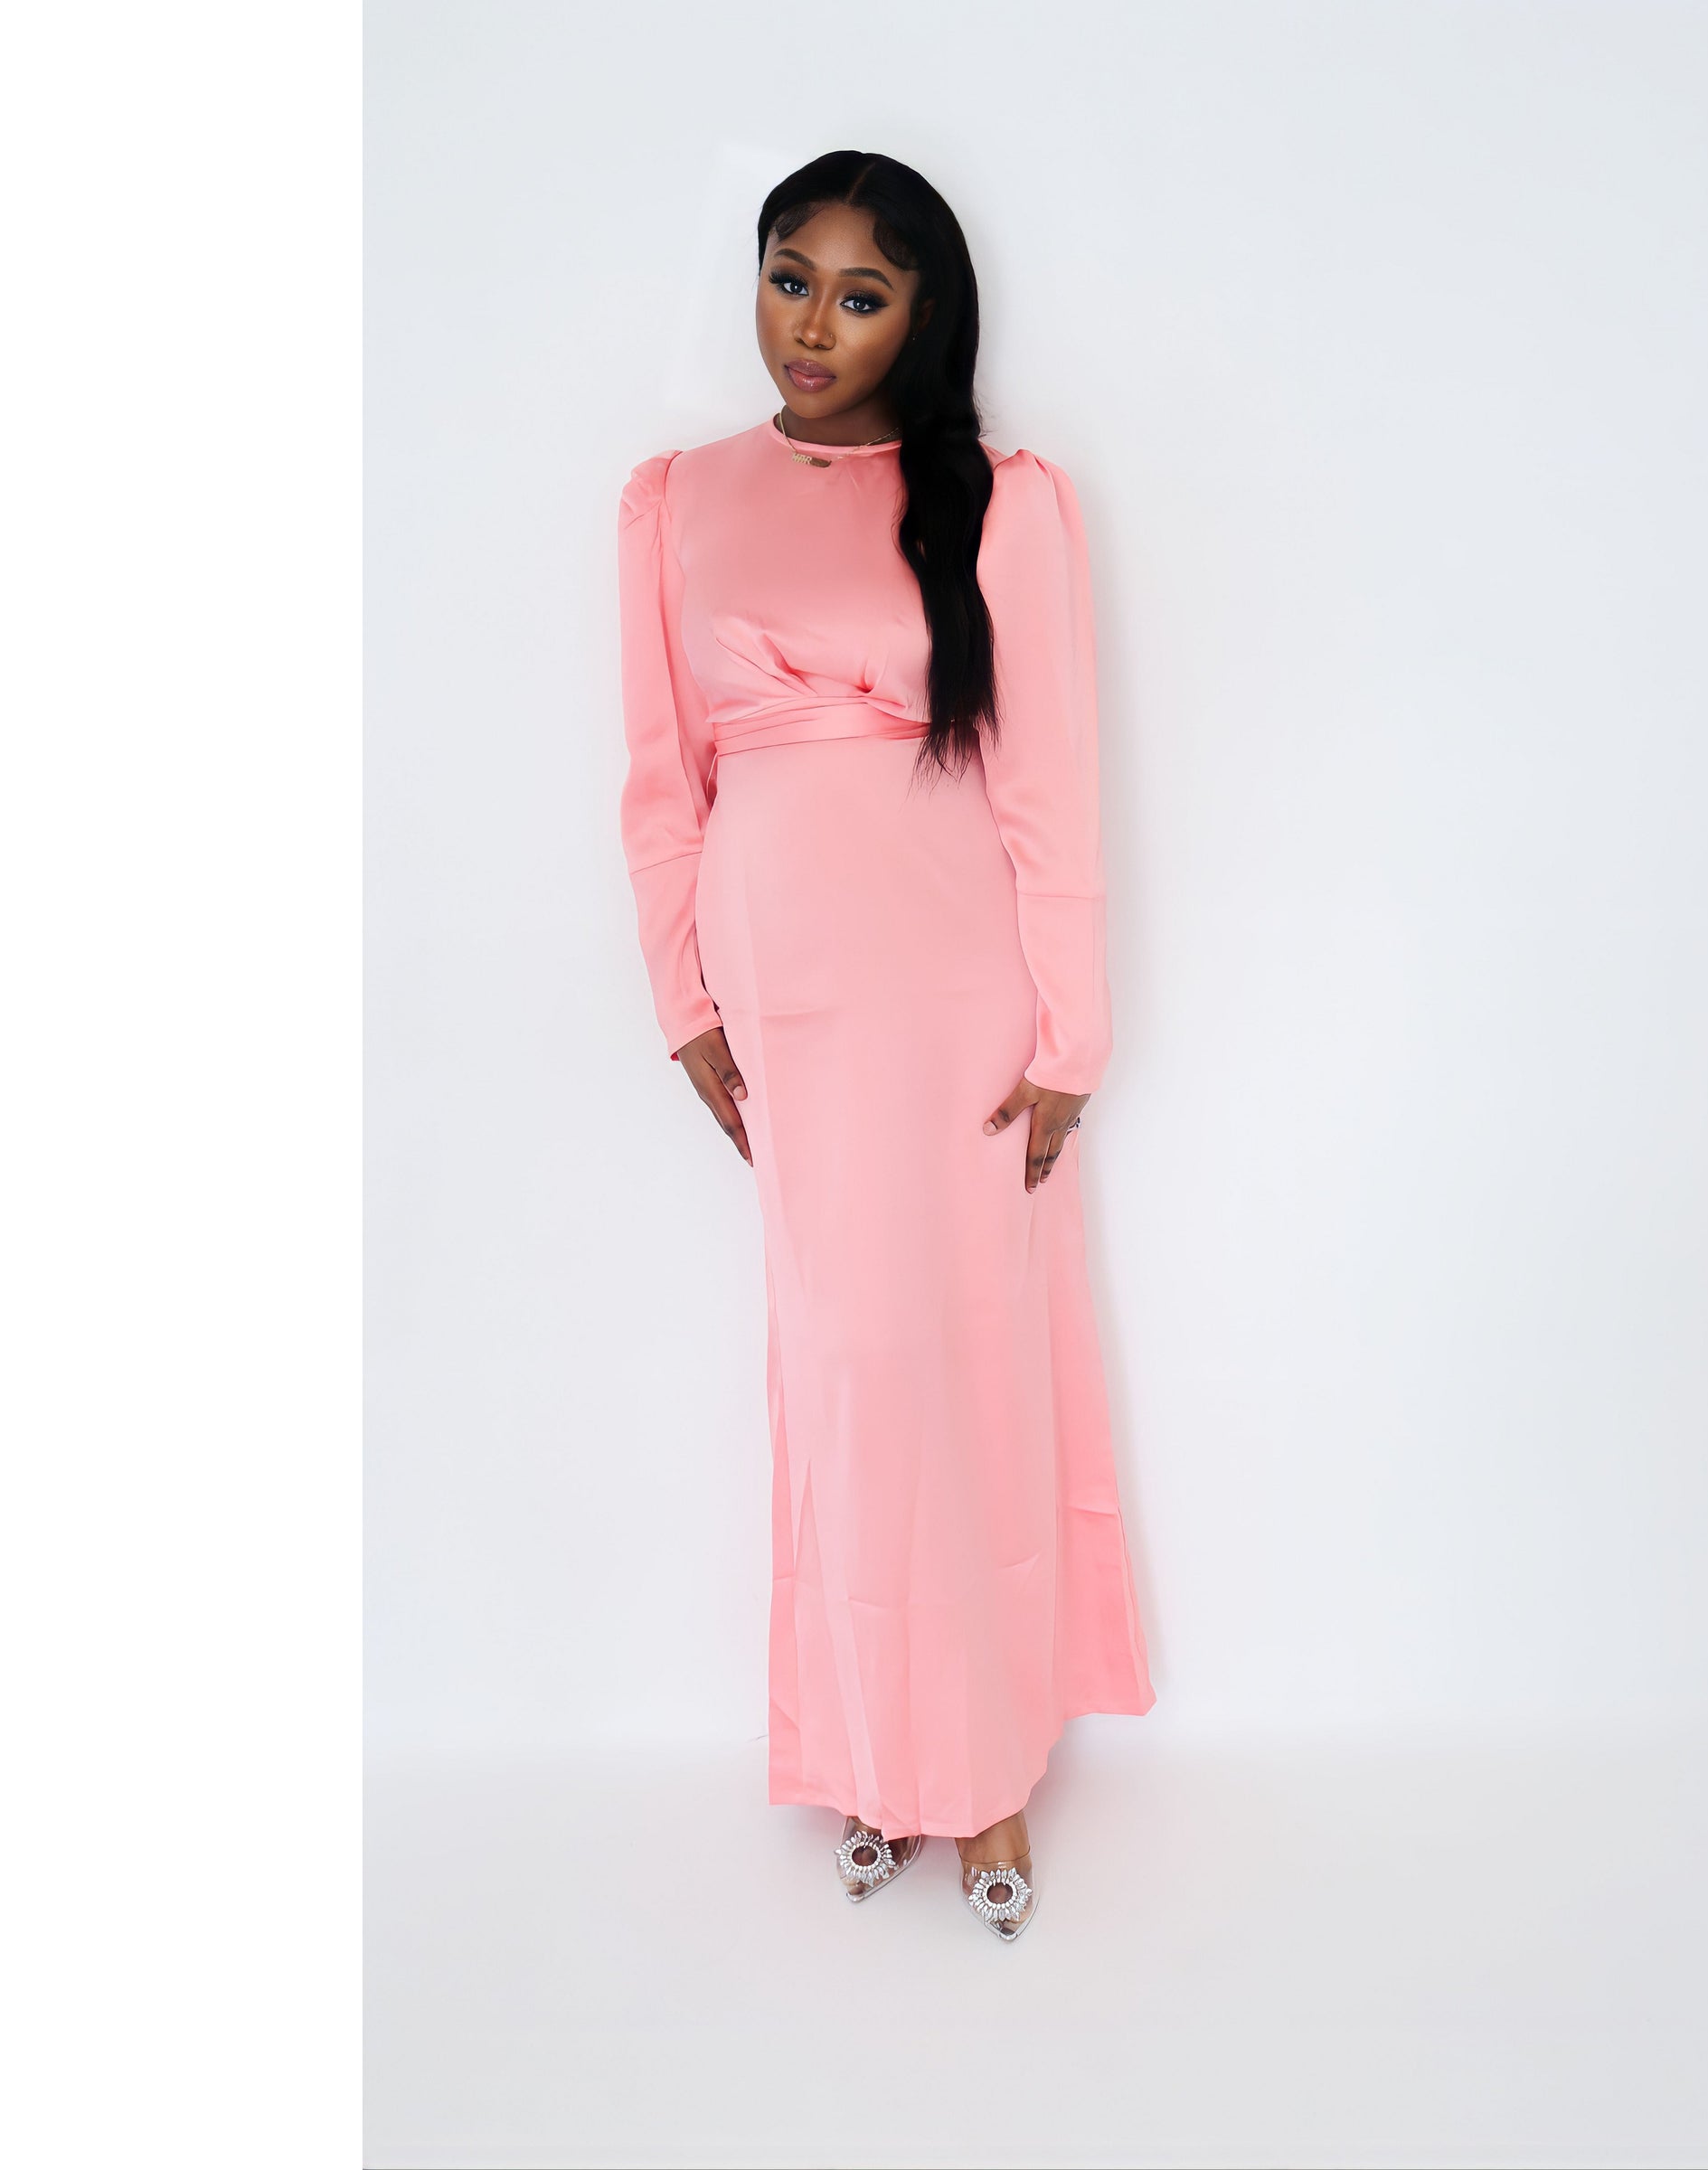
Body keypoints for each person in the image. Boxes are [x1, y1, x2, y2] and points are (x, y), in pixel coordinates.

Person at [616, 151, 1156, 1944]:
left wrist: (1072, 1033)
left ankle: (982, 1766)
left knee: (964, 1359)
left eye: (863, 294)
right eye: (791, 278)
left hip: (953, 992)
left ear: (925, 314)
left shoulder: (999, 500)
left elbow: (1049, 782)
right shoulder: (675, 501)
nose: (815, 325)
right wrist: (683, 1000)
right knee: (843, 1371)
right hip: (784, 994)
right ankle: (865, 1745)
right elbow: (660, 780)